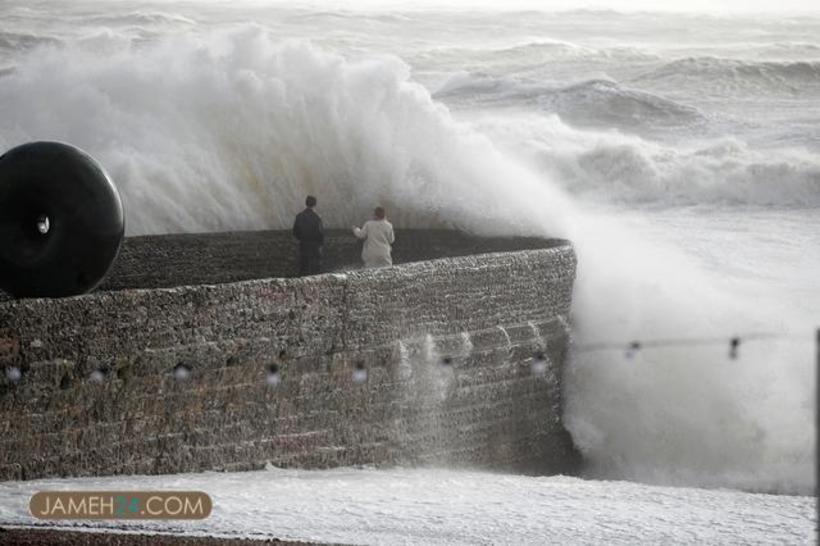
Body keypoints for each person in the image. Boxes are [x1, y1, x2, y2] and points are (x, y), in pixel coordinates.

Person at [292, 195, 324, 276]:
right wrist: (320, 244)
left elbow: (295, 231)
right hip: (314, 245)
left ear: (306, 203)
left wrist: (302, 238)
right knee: (315, 267)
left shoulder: (299, 216)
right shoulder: (317, 217)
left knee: (304, 266)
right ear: (315, 204)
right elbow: (320, 233)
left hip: (304, 244)